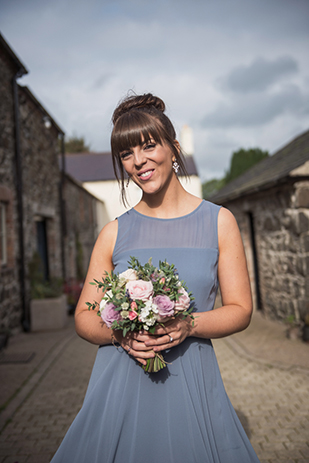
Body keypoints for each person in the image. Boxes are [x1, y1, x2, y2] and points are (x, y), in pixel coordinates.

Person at [51, 93, 260, 463]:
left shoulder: (219, 222)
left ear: (174, 148)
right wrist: (121, 335)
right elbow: (84, 317)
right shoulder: (113, 233)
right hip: (120, 387)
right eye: (127, 154)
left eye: (149, 146)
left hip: (191, 381)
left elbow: (241, 309)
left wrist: (188, 324)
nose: (138, 162)